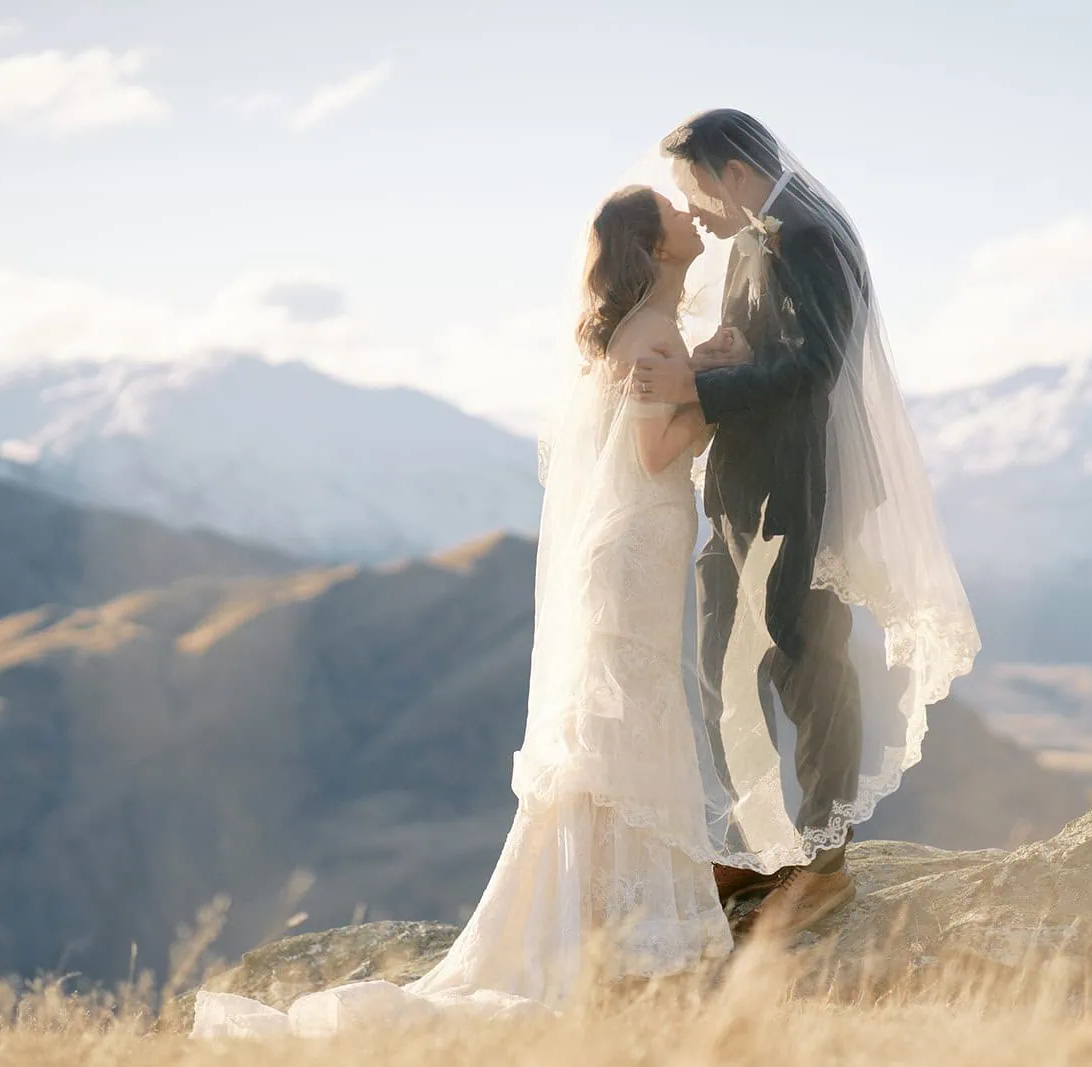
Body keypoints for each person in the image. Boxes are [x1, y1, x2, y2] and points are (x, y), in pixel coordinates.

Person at [192, 186, 734, 1036]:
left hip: (634, 549)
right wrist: (714, 388)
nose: (687, 213)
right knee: (632, 718)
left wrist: (704, 374)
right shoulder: (655, 334)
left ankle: (606, 917)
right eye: (671, 209)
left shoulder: (643, 329)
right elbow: (655, 448)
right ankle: (618, 928)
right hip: (636, 551)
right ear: (653, 245)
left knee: (620, 724)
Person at [632, 109, 981, 937]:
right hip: (744, 486)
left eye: (696, 192)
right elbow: (763, 348)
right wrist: (718, 356)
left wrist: (694, 390)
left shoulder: (810, 235)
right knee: (723, 666)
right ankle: (757, 848)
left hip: (797, 490)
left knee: (807, 664)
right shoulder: (757, 235)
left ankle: (824, 866)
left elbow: (816, 366)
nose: (698, 216)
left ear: (733, 172)